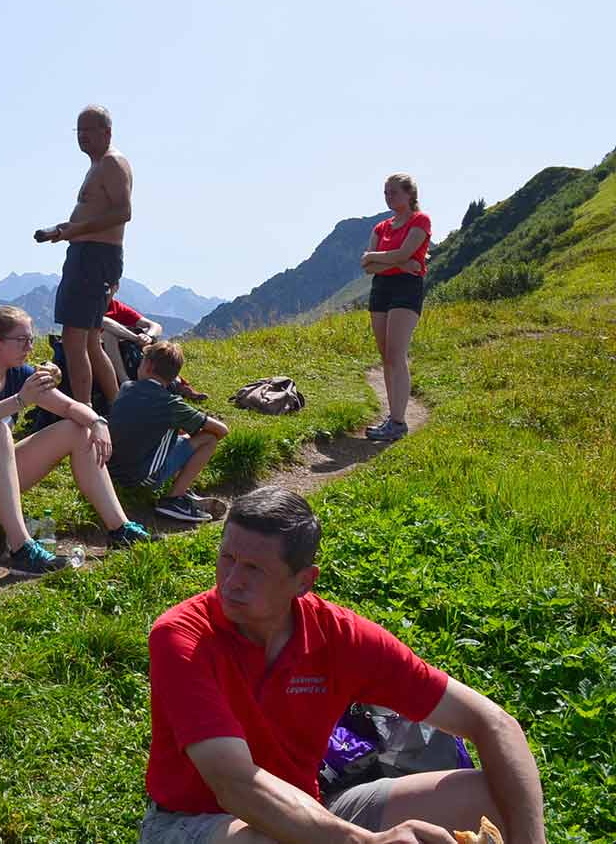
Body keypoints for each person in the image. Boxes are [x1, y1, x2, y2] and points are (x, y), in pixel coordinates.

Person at [142, 486, 545, 843]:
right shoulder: (181, 636)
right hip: (194, 822)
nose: (230, 582)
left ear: (303, 581)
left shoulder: (338, 636)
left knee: (488, 796)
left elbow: (494, 724)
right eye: (226, 558)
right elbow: (235, 784)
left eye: (254, 570)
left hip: (313, 812)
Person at [0, 305, 158, 576]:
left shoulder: (21, 373)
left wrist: (97, 422)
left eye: (31, 339)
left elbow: (69, 407)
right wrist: (20, 400)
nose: (29, 347)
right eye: (22, 341)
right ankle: (21, 549)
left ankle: (120, 528)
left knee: (77, 428)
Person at [37, 104, 132, 407]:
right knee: (90, 339)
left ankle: (84, 413)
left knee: (74, 339)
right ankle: (116, 407)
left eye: (89, 130)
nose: (83, 136)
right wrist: (66, 231)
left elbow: (123, 212)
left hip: (94, 257)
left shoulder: (112, 163)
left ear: (107, 132)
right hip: (89, 253)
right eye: (79, 130)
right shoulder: (98, 165)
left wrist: (76, 230)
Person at [107, 341, 228, 523]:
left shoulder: (126, 388)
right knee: (209, 439)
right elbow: (222, 430)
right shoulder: (172, 404)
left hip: (111, 470)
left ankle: (181, 492)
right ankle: (174, 500)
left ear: (148, 366)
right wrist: (190, 428)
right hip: (141, 477)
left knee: (175, 435)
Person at [360, 173, 430, 442]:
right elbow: (368, 268)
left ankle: (398, 421)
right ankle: (393, 417)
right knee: (386, 356)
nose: (389, 197)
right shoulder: (381, 227)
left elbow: (385, 256)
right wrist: (399, 262)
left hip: (406, 287)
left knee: (395, 353)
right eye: (386, 192)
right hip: (382, 288)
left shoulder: (420, 220)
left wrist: (377, 257)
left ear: (409, 194)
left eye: (394, 192)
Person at [101, 280, 208, 401]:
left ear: (116, 287)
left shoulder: (116, 307)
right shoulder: (90, 307)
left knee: (160, 348)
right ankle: (125, 382)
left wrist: (149, 336)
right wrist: (135, 338)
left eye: (109, 286)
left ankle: (179, 384)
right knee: (109, 334)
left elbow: (155, 326)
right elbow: (103, 322)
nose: (105, 291)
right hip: (103, 353)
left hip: (127, 353)